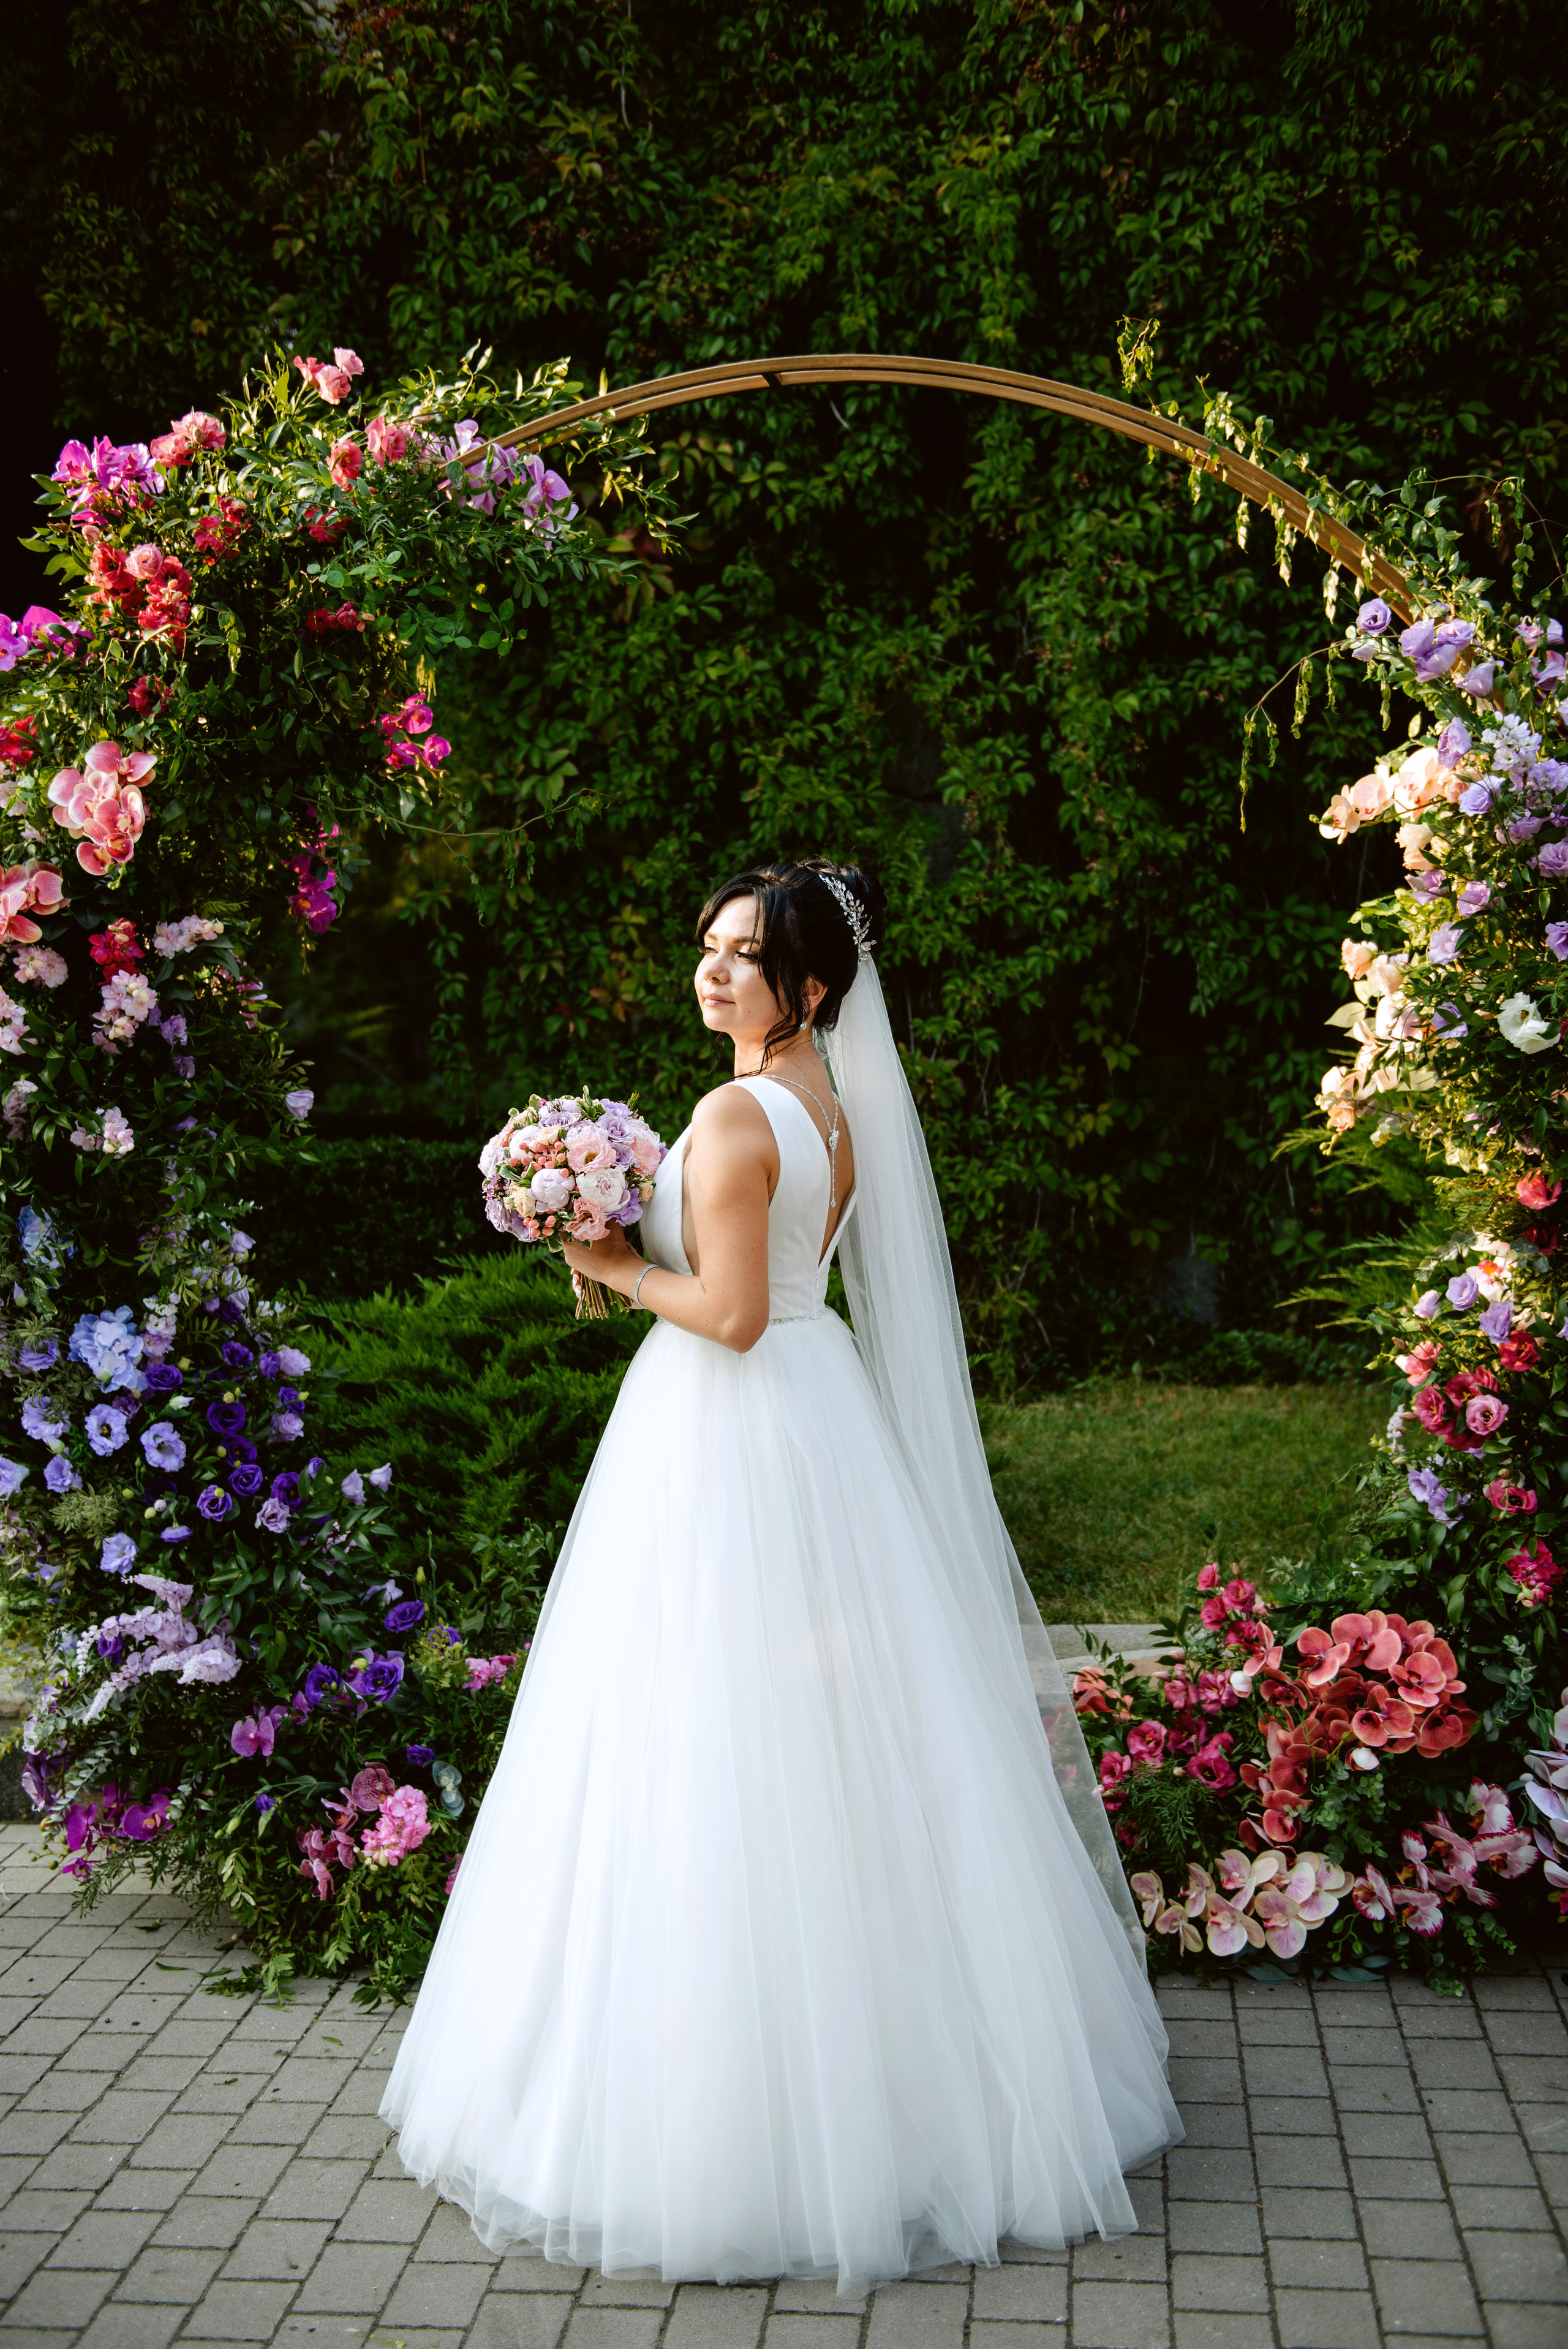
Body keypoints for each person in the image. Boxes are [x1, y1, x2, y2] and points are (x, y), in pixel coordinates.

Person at [380, 858, 1182, 2291]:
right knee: (840, 1752)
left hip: (730, 1434)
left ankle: (729, 2125)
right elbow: (788, 1286)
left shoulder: (729, 1112)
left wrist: (609, 1257)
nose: (711, 971)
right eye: (707, 947)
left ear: (806, 986)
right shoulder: (836, 1106)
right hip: (824, 1419)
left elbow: (733, 1317)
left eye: (741, 957)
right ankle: (914, 2076)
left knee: (705, 1736)